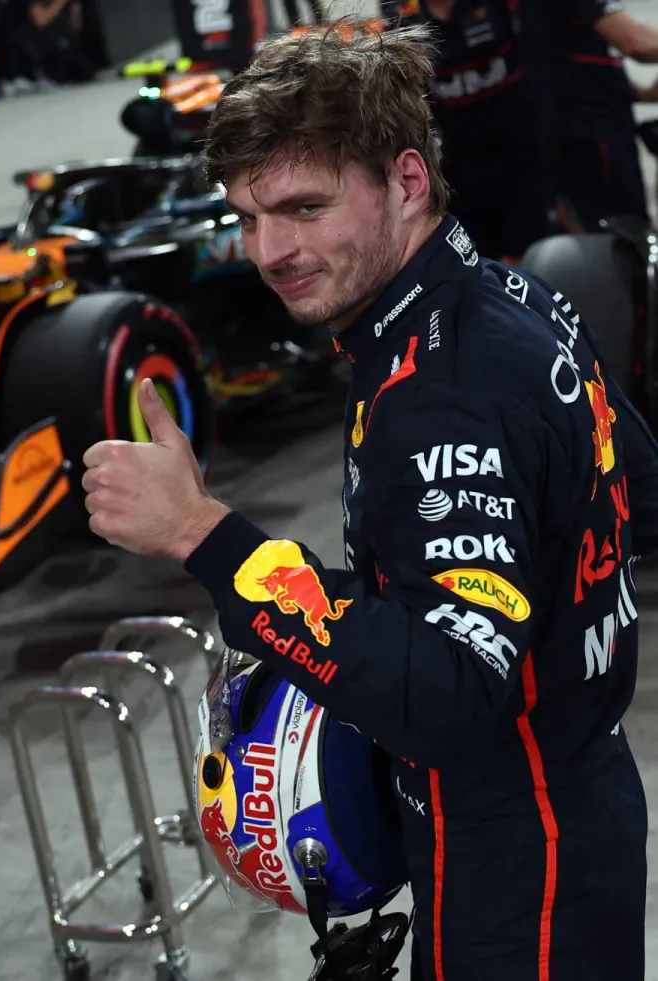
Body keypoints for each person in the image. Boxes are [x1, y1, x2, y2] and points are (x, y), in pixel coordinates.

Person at [81, 22, 656, 980]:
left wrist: (204, 534)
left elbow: (445, 696)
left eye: (305, 208)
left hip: (519, 857)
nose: (271, 250)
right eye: (248, 218)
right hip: (561, 809)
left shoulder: (442, 393)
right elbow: (628, 485)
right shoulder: (510, 300)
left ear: (408, 179)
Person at [385, 0, 555, 262]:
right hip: (455, 167)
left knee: (532, 256)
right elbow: (399, 86)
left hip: (520, 156)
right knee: (474, 260)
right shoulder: (399, 10)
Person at [537, 0, 658, 228]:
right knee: (620, 235)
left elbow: (580, 54)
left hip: (602, 126)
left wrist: (641, 94)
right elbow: (635, 43)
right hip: (586, 137)